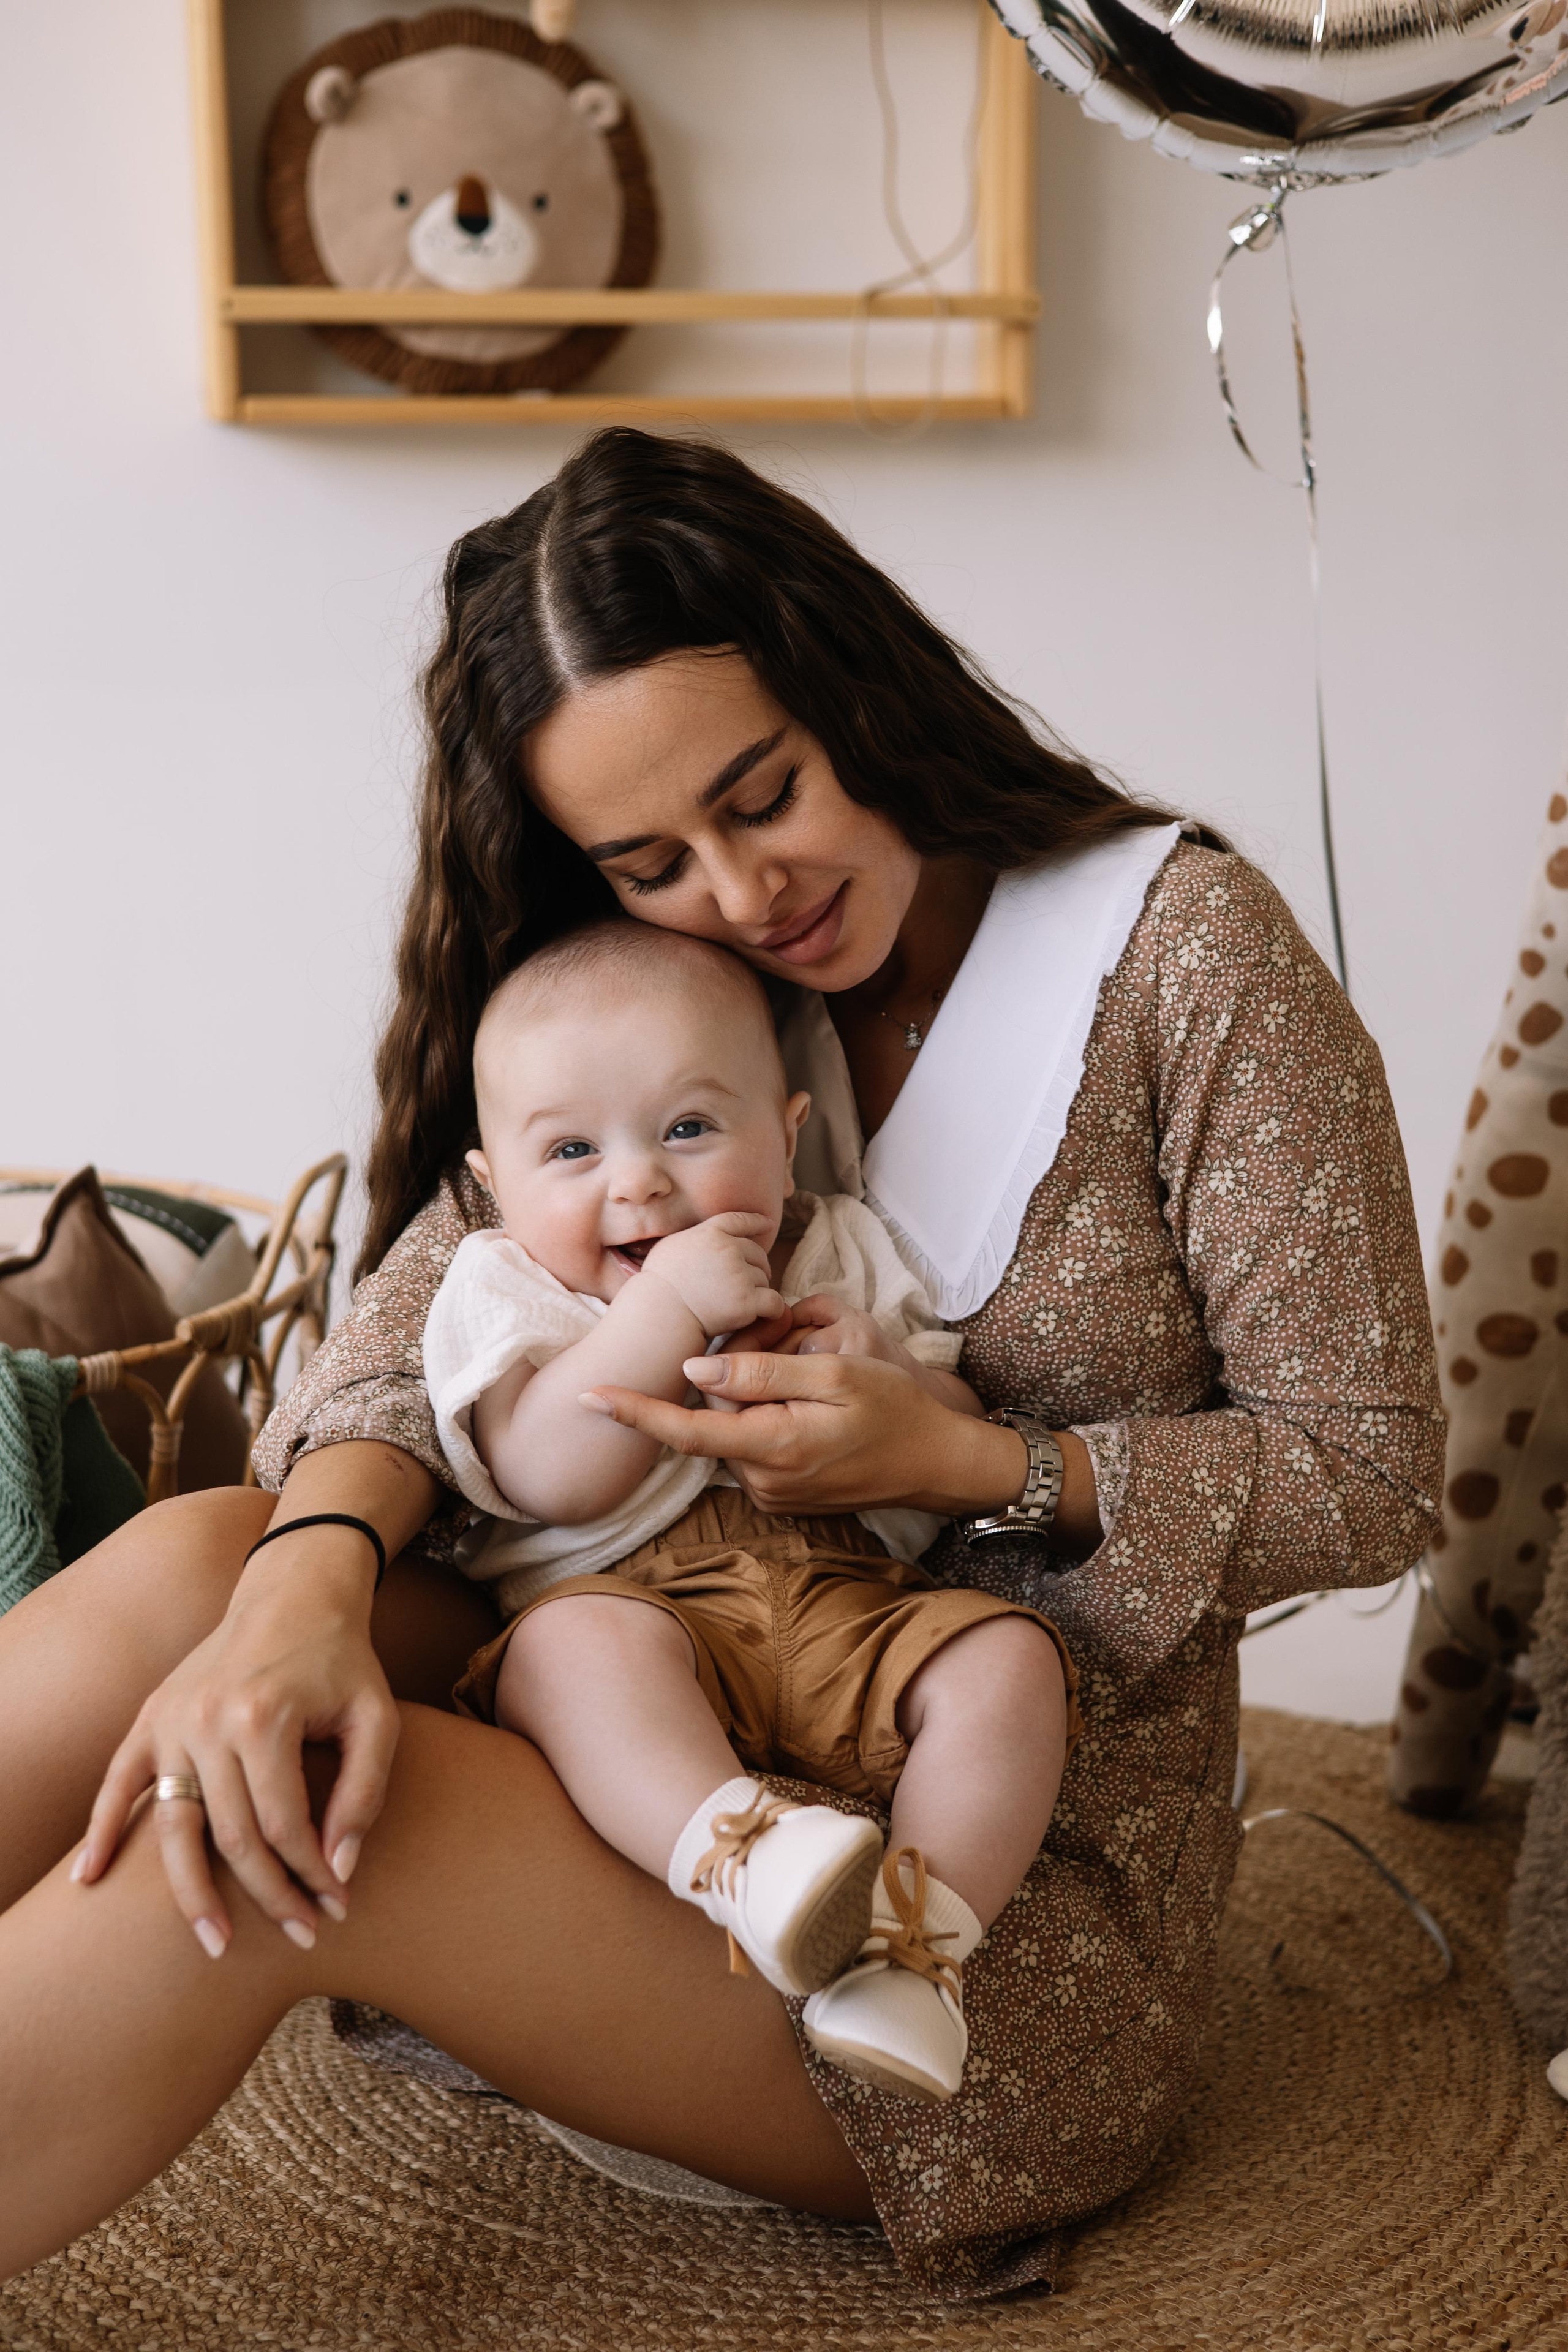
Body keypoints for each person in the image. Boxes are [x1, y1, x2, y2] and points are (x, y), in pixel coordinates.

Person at [0, 430, 1443, 2302]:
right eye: (649, 857)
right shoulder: (659, 993)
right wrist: (299, 1590)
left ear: (857, 682)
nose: (742, 892)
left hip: (964, 1901)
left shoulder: (1183, 965)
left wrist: (974, 1458)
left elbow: (1374, 1467)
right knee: (215, 1573)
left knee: (309, 1831)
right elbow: (403, 1335)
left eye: (761, 795)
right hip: (639, 1711)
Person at [424, 921, 1077, 2102]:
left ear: (787, 1138)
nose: (639, 1181)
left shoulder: (840, 1251)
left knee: (1015, 1665)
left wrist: (893, 1378)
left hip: (849, 1608)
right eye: (571, 1150)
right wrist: (666, 1310)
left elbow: (948, 1432)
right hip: (634, 1608)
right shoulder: (505, 1285)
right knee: (563, 1657)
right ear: (492, 1185)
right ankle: (750, 1860)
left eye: (688, 1127)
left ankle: (911, 1959)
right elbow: (540, 1474)